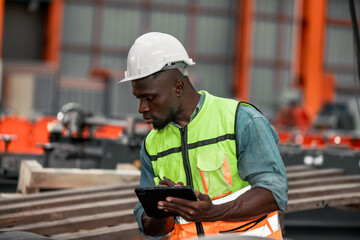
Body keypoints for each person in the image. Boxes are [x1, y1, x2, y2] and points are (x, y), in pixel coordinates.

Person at [120, 32, 288, 240]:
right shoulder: (152, 144)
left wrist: (215, 212)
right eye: (139, 98)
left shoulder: (241, 120)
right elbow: (152, 229)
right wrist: (164, 209)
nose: (141, 108)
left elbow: (274, 192)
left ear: (178, 87)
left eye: (150, 97)